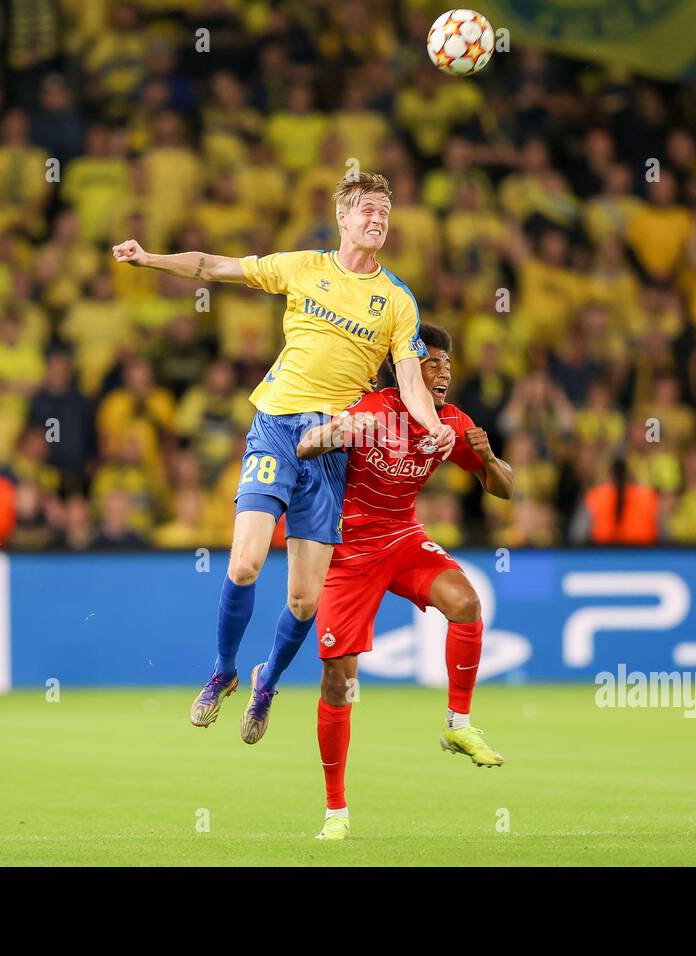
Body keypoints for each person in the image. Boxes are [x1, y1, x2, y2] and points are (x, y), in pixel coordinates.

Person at [113, 172, 456, 743]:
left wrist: (435, 427)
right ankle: (222, 672)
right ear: (343, 218)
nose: (378, 220)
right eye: (367, 210)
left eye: (385, 213)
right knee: (245, 562)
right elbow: (212, 267)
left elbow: (412, 385)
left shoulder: (397, 301)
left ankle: (266, 681)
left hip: (330, 444)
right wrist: (149, 259)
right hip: (275, 426)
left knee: (304, 598)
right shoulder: (303, 267)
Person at [293, 325, 514, 840]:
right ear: (407, 368)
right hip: (348, 550)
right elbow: (305, 447)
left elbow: (504, 490)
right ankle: (336, 810)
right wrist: (330, 433)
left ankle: (458, 726)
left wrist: (486, 456)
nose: (443, 373)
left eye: (448, 366)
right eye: (432, 363)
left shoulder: (452, 424)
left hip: (403, 539)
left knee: (465, 602)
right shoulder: (374, 411)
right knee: (339, 683)